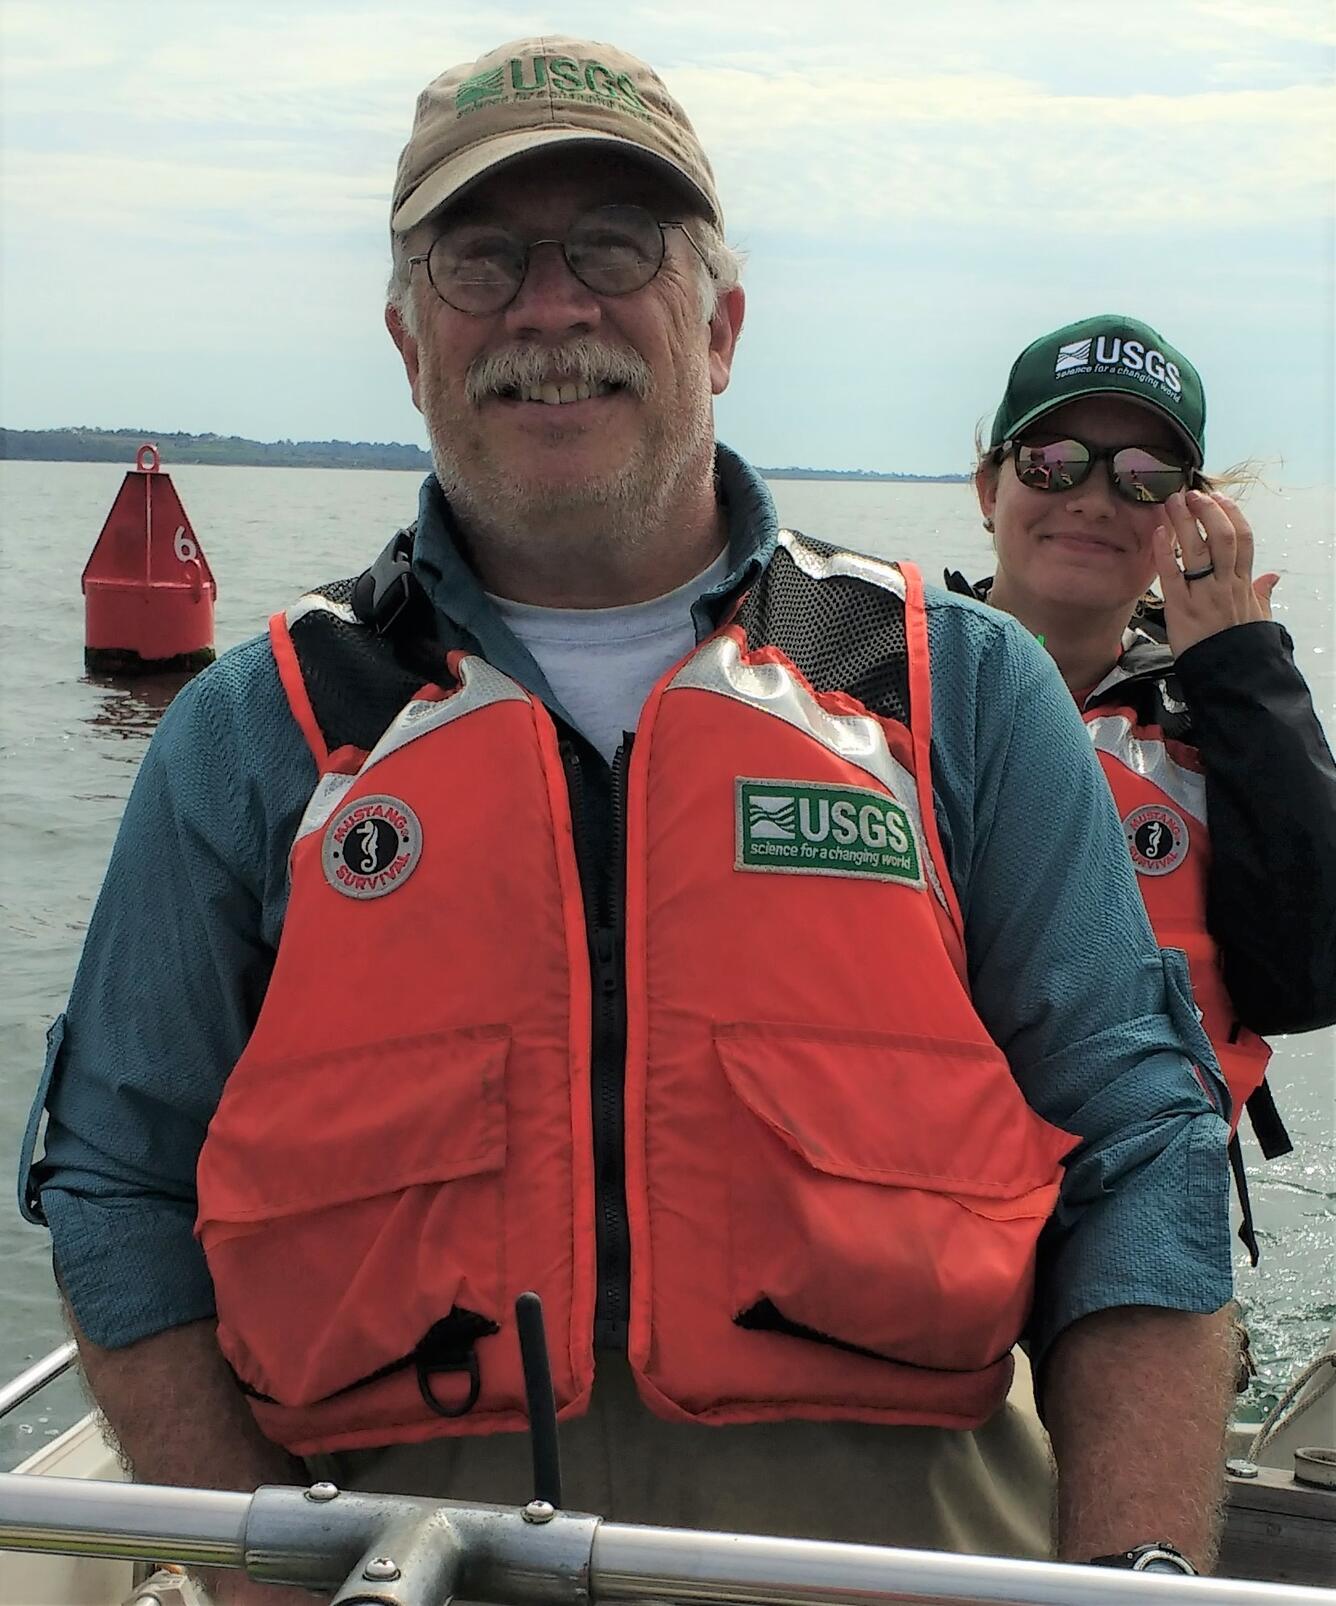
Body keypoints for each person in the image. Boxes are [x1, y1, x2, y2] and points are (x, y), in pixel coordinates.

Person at [20, 42, 1237, 1603]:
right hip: (379, 1558)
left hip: (909, 1554)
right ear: (407, 341)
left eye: (613, 248)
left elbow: (1140, 1137)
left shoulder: (960, 691)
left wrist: (1134, 1570)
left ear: (720, 326)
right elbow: (119, 1178)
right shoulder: (255, 731)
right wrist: (255, 1570)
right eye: (482, 261)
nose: (550, 310)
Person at [956, 314, 1336, 1260]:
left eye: (1142, 477)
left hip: (1140, 1211)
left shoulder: (1220, 719)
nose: (1092, 498)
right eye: (1053, 460)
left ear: (1186, 512)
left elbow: (1310, 973)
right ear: (989, 486)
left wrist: (1244, 669)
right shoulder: (873, 681)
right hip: (922, 1199)